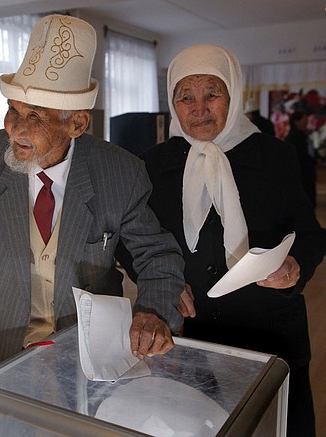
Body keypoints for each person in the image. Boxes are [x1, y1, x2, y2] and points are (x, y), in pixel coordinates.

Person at [0, 14, 185, 370]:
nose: (14, 129)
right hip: (6, 338)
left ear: (76, 123)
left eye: (34, 116)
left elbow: (156, 255)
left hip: (88, 346)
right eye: (12, 111)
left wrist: (151, 312)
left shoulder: (120, 171)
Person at [130, 44, 325, 436]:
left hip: (270, 332)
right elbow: (131, 239)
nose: (198, 107)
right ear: (173, 102)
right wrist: (160, 282)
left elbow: (310, 233)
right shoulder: (153, 164)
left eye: (212, 93)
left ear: (233, 96)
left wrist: (294, 267)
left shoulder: (276, 157)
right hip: (188, 337)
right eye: (186, 96)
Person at [285, 109, 317, 207]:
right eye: (304, 120)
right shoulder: (294, 137)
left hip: (306, 173)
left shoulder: (303, 135)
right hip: (301, 174)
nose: (306, 123)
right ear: (296, 121)